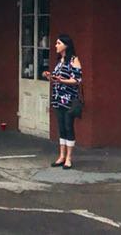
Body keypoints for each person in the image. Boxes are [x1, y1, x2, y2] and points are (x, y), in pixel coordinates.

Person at [42, 34, 83, 169]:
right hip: (58, 98)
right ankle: (61, 156)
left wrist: (62, 80)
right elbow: (56, 79)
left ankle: (69, 158)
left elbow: (77, 80)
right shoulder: (60, 61)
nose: (56, 45)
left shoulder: (73, 60)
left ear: (66, 45)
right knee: (61, 128)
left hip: (69, 100)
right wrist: (50, 76)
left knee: (68, 127)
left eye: (58, 43)